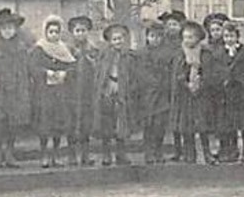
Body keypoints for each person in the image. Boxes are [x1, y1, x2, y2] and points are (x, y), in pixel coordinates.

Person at [0, 8, 32, 168]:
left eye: (10, 28)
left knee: (14, 124)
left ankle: (10, 152)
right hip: (0, 91)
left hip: (17, 91)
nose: (7, 31)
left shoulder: (21, 49)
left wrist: (23, 88)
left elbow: (25, 70)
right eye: (4, 28)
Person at [169, 20, 221, 164]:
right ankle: (189, 155)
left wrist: (200, 84)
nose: (188, 40)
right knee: (187, 128)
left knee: (203, 126)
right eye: (185, 37)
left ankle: (207, 153)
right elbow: (177, 74)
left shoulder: (205, 54)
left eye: (191, 37)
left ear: (198, 37)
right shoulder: (179, 54)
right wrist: (187, 84)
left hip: (202, 95)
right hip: (185, 96)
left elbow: (210, 73)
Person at [29, 16, 76, 167]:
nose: (54, 35)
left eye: (56, 32)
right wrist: (46, 72)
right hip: (44, 92)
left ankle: (55, 155)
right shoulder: (39, 49)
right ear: (46, 33)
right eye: (51, 32)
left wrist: (65, 74)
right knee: (45, 125)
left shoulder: (64, 49)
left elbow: (72, 66)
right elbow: (33, 67)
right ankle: (44, 155)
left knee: (58, 125)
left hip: (60, 92)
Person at [94, 24, 139, 166]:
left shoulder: (129, 57)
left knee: (121, 123)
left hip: (122, 91)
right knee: (106, 123)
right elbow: (99, 75)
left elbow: (133, 76)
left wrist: (128, 89)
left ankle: (121, 154)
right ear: (110, 41)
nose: (118, 42)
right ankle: (106, 154)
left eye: (120, 39)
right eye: (115, 39)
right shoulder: (104, 56)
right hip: (108, 90)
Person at [220, 21, 244, 163]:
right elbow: (216, 70)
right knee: (230, 123)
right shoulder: (219, 52)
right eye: (226, 36)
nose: (229, 39)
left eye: (231, 36)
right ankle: (233, 151)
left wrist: (239, 79)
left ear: (237, 36)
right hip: (227, 95)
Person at [66, 15, 100, 166]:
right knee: (71, 123)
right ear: (72, 33)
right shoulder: (66, 50)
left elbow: (99, 70)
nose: (80, 34)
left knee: (86, 123)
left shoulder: (93, 50)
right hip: (71, 92)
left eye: (83, 30)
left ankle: (85, 155)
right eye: (77, 31)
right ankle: (72, 155)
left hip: (87, 92)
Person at [137, 21, 172, 164]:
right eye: (152, 36)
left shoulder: (166, 53)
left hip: (162, 94)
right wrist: (153, 82)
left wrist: (163, 83)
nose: (155, 39)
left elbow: (169, 71)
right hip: (148, 95)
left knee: (160, 124)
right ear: (147, 37)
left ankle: (158, 150)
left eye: (158, 36)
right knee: (149, 124)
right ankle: (149, 152)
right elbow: (141, 72)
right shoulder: (142, 53)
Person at [158, 10, 187, 161]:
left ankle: (186, 149)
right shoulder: (161, 44)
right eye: (169, 25)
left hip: (181, 85)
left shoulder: (184, 43)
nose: (171, 28)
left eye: (175, 24)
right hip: (165, 86)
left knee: (183, 117)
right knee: (171, 119)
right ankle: (176, 149)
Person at [203, 12, 231, 160]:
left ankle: (228, 148)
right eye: (212, 30)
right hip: (209, 89)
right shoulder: (206, 48)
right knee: (212, 120)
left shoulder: (228, 47)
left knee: (225, 119)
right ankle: (215, 149)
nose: (215, 33)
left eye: (218, 30)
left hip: (225, 88)